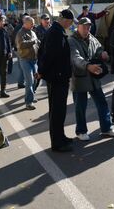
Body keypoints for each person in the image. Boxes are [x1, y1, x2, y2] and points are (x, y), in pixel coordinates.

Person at [69, 17, 114, 140]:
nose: (87, 29)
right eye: (84, 26)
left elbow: (98, 49)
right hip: (80, 77)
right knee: (80, 106)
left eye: (89, 26)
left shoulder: (92, 37)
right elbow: (75, 58)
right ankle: (81, 131)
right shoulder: (72, 40)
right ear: (78, 27)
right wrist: (87, 66)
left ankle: (106, 128)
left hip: (93, 75)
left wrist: (103, 54)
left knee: (102, 102)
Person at [37, 9, 75, 152]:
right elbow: (47, 55)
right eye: (70, 23)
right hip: (57, 77)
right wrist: (41, 71)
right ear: (65, 20)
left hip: (59, 76)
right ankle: (57, 142)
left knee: (60, 110)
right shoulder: (55, 33)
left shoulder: (57, 31)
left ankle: (61, 136)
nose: (71, 25)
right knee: (57, 111)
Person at [16, 16, 40, 110]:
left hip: (34, 60)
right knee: (29, 80)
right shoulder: (20, 33)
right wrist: (33, 41)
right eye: (31, 23)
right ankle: (28, 102)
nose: (33, 25)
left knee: (35, 79)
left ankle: (31, 96)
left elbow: (37, 43)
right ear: (26, 23)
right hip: (25, 59)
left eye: (33, 23)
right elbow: (21, 45)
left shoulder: (33, 32)